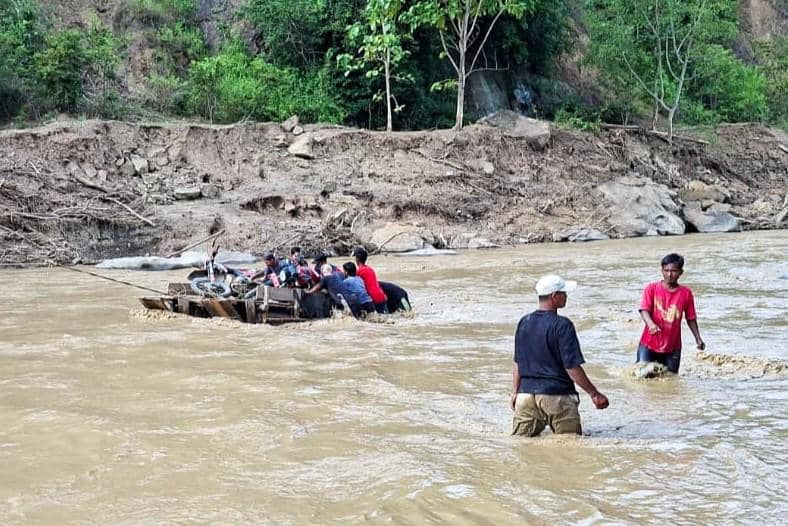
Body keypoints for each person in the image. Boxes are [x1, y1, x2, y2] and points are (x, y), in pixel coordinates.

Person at [511, 274, 609, 437]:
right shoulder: (563, 325)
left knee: (522, 445)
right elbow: (571, 367)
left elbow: (517, 363)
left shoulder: (524, 322)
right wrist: (594, 394)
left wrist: (515, 392)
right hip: (556, 396)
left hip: (525, 396)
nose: (567, 296)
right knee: (570, 446)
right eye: (564, 293)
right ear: (554, 296)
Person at [635, 253, 705, 373]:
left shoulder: (686, 293)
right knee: (642, 376)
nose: (669, 274)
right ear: (661, 270)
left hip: (673, 347)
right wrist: (651, 324)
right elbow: (644, 310)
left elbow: (691, 318)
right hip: (648, 344)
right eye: (666, 270)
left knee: (670, 380)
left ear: (681, 272)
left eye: (673, 271)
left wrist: (698, 338)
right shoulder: (651, 289)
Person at [353, 246, 388, 313]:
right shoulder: (370, 269)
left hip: (373, 299)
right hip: (382, 296)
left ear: (357, 259)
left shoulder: (359, 271)